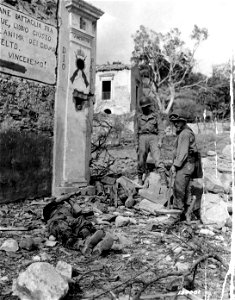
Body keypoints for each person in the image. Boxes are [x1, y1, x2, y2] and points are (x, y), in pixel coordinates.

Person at [169, 109, 200, 220]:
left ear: (183, 121)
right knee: (185, 188)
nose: (175, 124)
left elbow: (183, 152)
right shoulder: (183, 132)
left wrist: (175, 165)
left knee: (179, 187)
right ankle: (186, 213)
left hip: (186, 164)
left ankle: (177, 213)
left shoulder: (185, 134)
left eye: (178, 121)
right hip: (187, 164)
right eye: (174, 122)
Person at [135, 96, 167, 190]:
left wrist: (160, 140)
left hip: (154, 137)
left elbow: (161, 129)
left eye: (147, 106)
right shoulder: (138, 117)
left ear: (150, 106)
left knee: (157, 159)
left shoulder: (156, 116)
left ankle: (164, 180)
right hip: (142, 138)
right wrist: (136, 143)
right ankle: (140, 178)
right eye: (143, 107)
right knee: (141, 160)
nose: (145, 108)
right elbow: (136, 131)